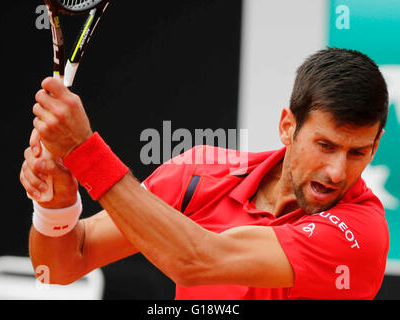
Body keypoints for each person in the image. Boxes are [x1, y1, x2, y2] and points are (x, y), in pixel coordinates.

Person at [20, 47, 390, 299]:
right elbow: (60, 266)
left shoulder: (361, 232)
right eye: (325, 146)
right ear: (287, 127)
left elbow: (197, 260)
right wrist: (57, 208)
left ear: (376, 145)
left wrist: (85, 153)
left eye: (358, 152)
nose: (338, 171)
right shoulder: (199, 173)